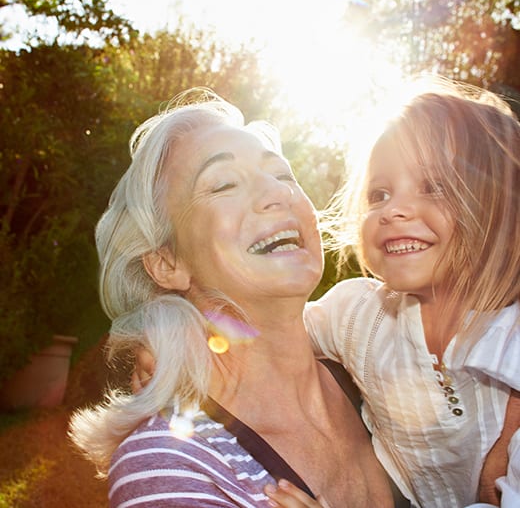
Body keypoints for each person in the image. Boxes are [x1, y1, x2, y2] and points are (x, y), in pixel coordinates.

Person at [68, 88, 401, 507]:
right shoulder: (171, 464)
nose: (277, 193)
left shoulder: (382, 372)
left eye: (283, 175)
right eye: (223, 184)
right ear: (167, 262)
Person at [266, 78, 520, 508]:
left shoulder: (510, 347)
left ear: (499, 209)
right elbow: (267, 332)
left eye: (434, 186)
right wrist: (181, 339)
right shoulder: (360, 312)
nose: (393, 210)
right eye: (379, 194)